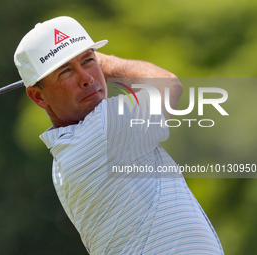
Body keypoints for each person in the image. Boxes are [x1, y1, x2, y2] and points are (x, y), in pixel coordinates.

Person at [14, 16, 224, 254]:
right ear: (39, 97)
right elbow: (168, 85)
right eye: (66, 72)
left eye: (88, 61)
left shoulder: (69, 150)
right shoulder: (101, 133)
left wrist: (82, 60)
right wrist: (103, 60)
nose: (87, 78)